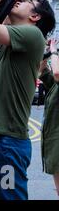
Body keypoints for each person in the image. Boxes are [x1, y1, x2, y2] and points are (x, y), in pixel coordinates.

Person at [0, 0, 56, 200]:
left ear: (35, 16)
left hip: (7, 141)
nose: (19, 0)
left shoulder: (33, 35)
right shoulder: (7, 42)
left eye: (28, 1)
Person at [38, 38, 59, 197]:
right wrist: (45, 54)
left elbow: (57, 74)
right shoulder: (55, 86)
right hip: (54, 143)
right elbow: (42, 72)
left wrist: (53, 51)